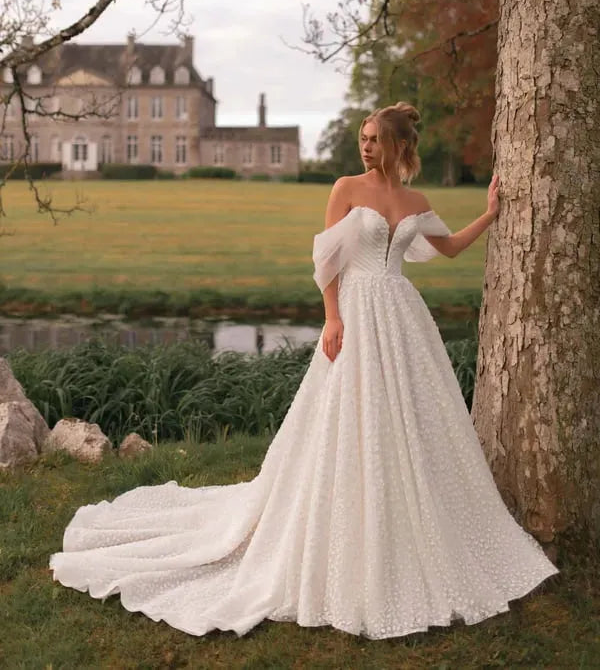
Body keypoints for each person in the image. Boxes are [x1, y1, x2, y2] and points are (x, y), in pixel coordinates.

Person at [49, 101, 558, 640]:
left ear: (400, 147)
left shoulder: (415, 200)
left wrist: (491, 211)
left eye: (374, 139)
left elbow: (450, 248)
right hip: (356, 314)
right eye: (362, 137)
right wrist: (333, 318)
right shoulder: (345, 188)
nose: (365, 146)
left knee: (409, 418)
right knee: (345, 416)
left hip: (403, 318)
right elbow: (329, 263)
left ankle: (408, 519)